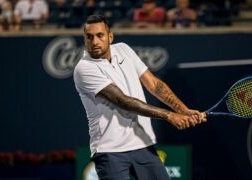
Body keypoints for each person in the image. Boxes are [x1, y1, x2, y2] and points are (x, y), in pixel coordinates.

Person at [73, 14, 206, 179]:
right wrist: (170, 115)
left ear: (110, 36)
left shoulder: (124, 49)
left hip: (142, 144)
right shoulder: (84, 68)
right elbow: (123, 101)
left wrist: (184, 110)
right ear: (84, 39)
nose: (94, 42)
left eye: (100, 36)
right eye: (89, 37)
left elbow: (154, 84)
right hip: (110, 151)